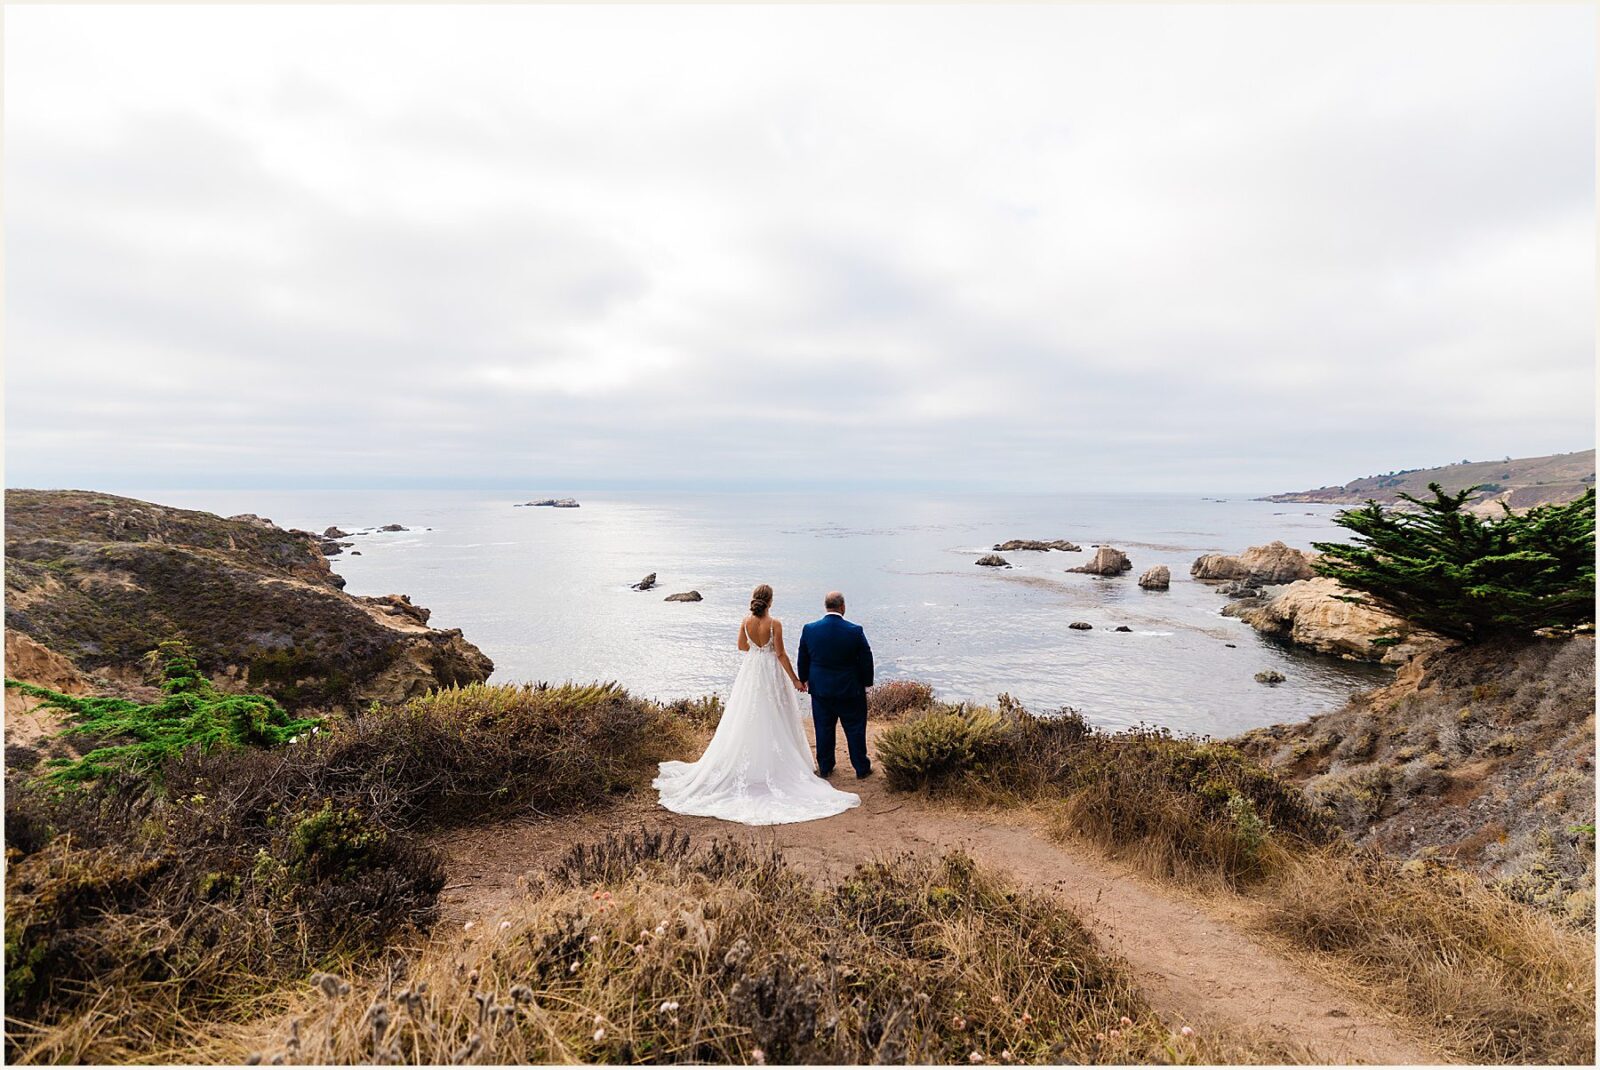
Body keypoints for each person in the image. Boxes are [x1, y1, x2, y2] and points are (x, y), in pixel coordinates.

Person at [653, 584, 861, 825]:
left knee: (747, 717)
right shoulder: (775, 624)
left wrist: (757, 648)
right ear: (770, 601)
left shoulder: (745, 621)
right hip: (772, 673)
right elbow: (781, 654)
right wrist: (795, 679)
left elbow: (742, 646)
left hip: (752, 672)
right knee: (777, 715)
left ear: (755, 600)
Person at [796, 590, 874, 779]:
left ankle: (826, 766)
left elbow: (803, 656)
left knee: (823, 728)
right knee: (855, 728)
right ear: (843, 606)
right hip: (850, 689)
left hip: (821, 690)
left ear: (826, 606)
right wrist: (867, 683)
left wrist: (804, 678)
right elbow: (866, 658)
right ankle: (861, 768)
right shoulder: (855, 631)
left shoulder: (810, 629)